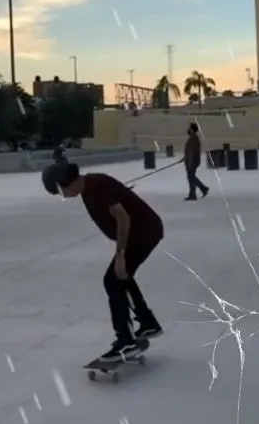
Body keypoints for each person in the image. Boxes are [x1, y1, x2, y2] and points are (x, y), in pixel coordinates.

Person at [42, 162, 163, 362]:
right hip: (144, 232)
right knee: (120, 277)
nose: (63, 196)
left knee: (113, 281)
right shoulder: (91, 186)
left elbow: (123, 218)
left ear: (66, 183)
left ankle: (127, 341)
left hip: (142, 234)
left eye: (60, 191)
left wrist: (121, 254)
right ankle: (147, 323)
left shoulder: (97, 187)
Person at [184, 122, 209, 201]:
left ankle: (197, 192)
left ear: (192, 129)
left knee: (191, 177)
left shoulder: (193, 138)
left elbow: (192, 152)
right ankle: (198, 191)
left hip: (192, 161)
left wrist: (190, 162)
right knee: (191, 177)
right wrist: (185, 158)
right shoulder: (192, 138)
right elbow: (189, 151)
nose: (188, 129)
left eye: (189, 128)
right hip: (191, 161)